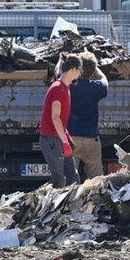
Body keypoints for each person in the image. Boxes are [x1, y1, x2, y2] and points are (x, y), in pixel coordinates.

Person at [40, 54, 82, 188]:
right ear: (72, 70)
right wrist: (64, 142)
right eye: (79, 69)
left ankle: (74, 208)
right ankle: (57, 209)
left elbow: (59, 119)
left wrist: (66, 136)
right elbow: (55, 117)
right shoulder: (58, 89)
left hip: (58, 138)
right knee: (60, 180)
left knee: (73, 177)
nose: (80, 73)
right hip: (51, 140)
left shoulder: (65, 87)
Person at [67, 52, 108, 179]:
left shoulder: (69, 85)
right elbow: (104, 80)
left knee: (69, 181)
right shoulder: (97, 88)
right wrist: (95, 69)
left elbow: (59, 72)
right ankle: (95, 199)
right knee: (96, 181)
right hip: (91, 139)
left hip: (71, 139)